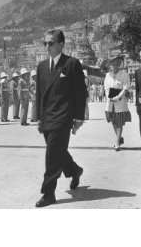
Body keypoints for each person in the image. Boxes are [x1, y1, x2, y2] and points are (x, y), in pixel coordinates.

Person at [35, 29, 87, 207]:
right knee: (57, 152)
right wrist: (39, 117)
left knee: (51, 155)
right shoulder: (41, 66)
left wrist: (79, 117)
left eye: (50, 43)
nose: (47, 46)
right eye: (45, 43)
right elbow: (40, 94)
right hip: (47, 117)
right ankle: (75, 170)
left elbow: (81, 92)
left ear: (61, 44)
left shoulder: (72, 64)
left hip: (63, 117)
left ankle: (48, 193)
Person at [104, 59, 131, 151]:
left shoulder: (124, 74)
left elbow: (126, 87)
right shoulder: (107, 75)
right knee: (113, 121)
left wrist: (118, 97)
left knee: (119, 122)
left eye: (115, 65)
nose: (113, 67)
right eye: (111, 65)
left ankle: (117, 143)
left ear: (118, 65)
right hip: (110, 102)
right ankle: (119, 138)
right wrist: (109, 96)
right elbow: (106, 87)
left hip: (120, 101)